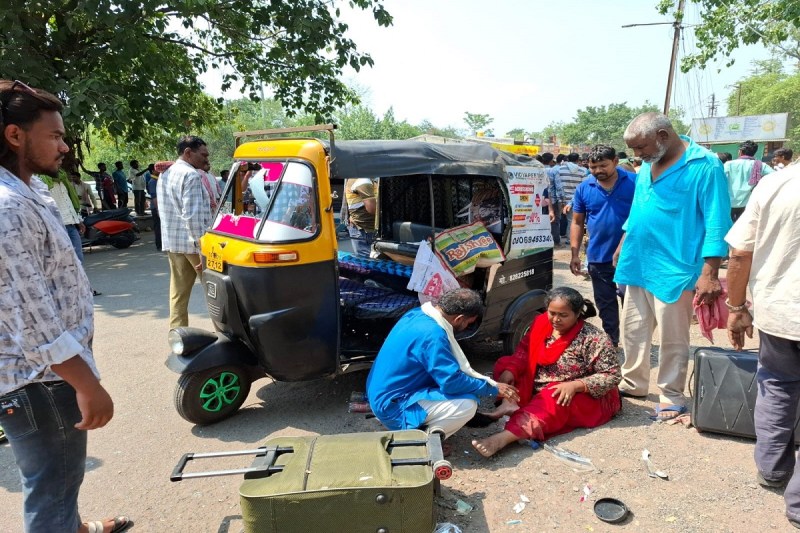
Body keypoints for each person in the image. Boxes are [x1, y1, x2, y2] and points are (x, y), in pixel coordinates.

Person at [0, 79, 130, 533]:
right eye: (54, 135)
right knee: (52, 486)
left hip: (45, 376)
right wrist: (86, 383)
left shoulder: (26, 191)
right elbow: (31, 319)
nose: (65, 146)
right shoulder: (7, 207)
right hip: (40, 381)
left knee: (58, 480)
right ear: (15, 135)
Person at [615, 112, 731, 420]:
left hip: (676, 267)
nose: (637, 156)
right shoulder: (647, 164)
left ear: (664, 136)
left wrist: (710, 273)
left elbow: (718, 221)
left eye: (641, 147)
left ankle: (671, 394)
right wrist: (623, 243)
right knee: (634, 330)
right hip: (638, 261)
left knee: (672, 338)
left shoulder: (705, 165)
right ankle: (634, 383)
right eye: (635, 150)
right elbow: (638, 210)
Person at [725, 163, 800, 528]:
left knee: (777, 389)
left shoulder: (775, 183)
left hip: (780, 314)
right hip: (783, 314)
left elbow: (739, 253)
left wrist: (736, 308)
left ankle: (772, 470)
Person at [471, 287, 621, 457]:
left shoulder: (594, 338)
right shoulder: (541, 322)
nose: (555, 320)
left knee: (552, 398)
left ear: (578, 313)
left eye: (563, 315)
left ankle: (502, 439)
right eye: (552, 313)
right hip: (540, 381)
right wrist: (511, 370)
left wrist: (576, 385)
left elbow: (612, 374)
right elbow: (525, 351)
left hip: (577, 393)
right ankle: (509, 404)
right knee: (505, 365)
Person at [366, 289, 519, 442]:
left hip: (380, 393)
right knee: (467, 405)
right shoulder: (433, 334)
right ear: (459, 319)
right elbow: (451, 382)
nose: (467, 326)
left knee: (467, 388)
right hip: (391, 407)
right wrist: (492, 388)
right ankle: (424, 441)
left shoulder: (418, 313)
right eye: (468, 323)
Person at [570, 144, 635, 347]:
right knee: (605, 303)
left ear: (615, 161)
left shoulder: (636, 182)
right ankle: (611, 343)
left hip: (631, 255)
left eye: (603, 166)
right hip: (598, 256)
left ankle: (635, 344)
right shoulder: (584, 187)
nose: (598, 171)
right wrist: (575, 253)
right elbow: (577, 222)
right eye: (593, 167)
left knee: (632, 304)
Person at [158, 136, 212, 329]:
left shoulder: (166, 173)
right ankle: (227, 335)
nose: (206, 159)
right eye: (203, 154)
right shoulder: (191, 175)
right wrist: (201, 250)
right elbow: (193, 217)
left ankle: (178, 335)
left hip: (174, 242)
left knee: (178, 294)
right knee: (216, 291)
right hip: (193, 245)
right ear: (188, 153)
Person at [724, 140, 774, 222]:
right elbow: (775, 176)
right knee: (745, 227)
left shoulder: (729, 164)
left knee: (729, 227)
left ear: (740, 151)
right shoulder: (761, 165)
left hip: (729, 202)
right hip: (749, 203)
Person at [344, 177, 377, 258]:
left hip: (364, 229)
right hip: (365, 230)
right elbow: (372, 209)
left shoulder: (368, 179)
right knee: (368, 264)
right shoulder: (363, 180)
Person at [558, 153, 586, 239]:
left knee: (557, 219)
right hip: (575, 199)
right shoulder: (582, 171)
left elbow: (557, 185)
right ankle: (569, 239)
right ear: (578, 160)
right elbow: (583, 187)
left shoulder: (560, 169)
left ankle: (557, 238)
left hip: (561, 199)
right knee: (572, 220)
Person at [541, 152, 564, 246]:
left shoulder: (538, 169)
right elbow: (558, 186)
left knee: (540, 219)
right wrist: (562, 199)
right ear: (551, 161)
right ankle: (555, 241)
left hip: (539, 199)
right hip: (552, 199)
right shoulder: (553, 171)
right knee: (554, 220)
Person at [147, 164, 162, 251]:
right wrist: (157, 209)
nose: (159, 171)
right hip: (156, 207)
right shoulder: (152, 182)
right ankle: (159, 244)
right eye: (157, 169)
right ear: (153, 171)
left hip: (159, 207)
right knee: (158, 227)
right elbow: (154, 197)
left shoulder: (157, 180)